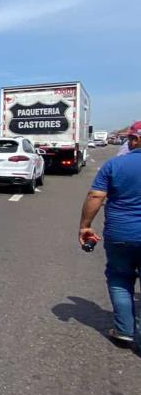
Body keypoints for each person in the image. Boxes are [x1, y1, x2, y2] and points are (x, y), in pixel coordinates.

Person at [78, 125, 141, 347]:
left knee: (120, 279)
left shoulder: (115, 164)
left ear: (133, 139)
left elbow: (96, 195)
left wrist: (85, 226)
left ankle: (124, 331)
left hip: (121, 233)